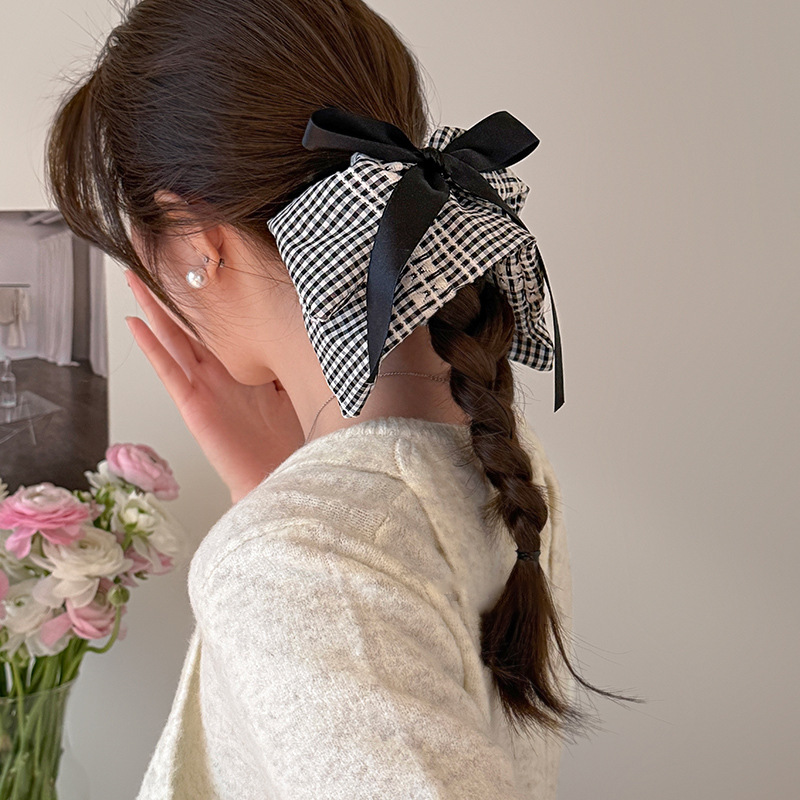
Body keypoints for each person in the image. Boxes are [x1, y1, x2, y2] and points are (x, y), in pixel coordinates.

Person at [45, 1, 640, 797]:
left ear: (196, 241)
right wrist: (272, 489)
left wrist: (279, 523)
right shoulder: (506, 463)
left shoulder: (298, 561)